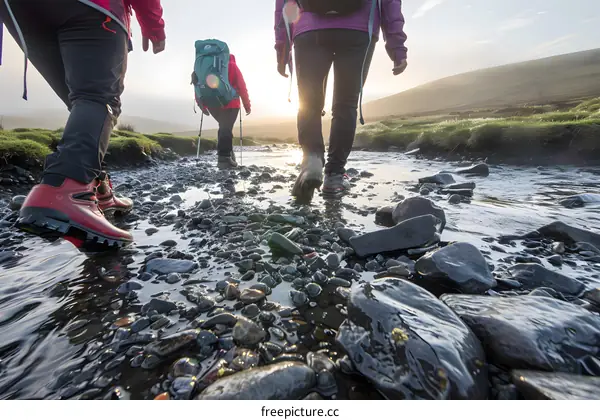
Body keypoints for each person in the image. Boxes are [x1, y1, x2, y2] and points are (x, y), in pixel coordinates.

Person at [0, 0, 166, 249]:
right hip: (91, 8)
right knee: (97, 98)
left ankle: (98, 191)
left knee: (83, 102)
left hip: (20, 10)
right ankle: (67, 190)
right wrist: (155, 26)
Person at [274, 0, 408, 198]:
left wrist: (282, 49)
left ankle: (312, 160)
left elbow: (283, 4)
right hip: (360, 29)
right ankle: (334, 176)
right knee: (346, 104)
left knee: (309, 103)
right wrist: (397, 46)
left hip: (308, 29)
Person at [201, 53, 251, 170]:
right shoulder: (232, 65)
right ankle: (224, 159)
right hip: (231, 104)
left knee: (224, 127)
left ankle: (229, 155)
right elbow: (241, 86)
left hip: (213, 104)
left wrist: (202, 104)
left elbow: (200, 85)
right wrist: (247, 105)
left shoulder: (207, 67)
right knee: (225, 128)